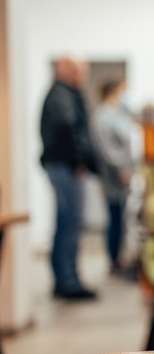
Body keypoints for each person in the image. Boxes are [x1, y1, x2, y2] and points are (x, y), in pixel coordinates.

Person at [40, 56, 99, 300]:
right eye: (78, 70)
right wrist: (78, 161)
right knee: (70, 224)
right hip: (66, 167)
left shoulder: (60, 94)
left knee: (65, 223)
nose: (82, 76)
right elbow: (68, 128)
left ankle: (64, 280)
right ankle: (69, 282)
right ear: (65, 70)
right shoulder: (62, 96)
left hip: (62, 165)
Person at [91, 79, 137, 275]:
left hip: (124, 173)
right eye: (123, 92)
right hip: (114, 175)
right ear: (113, 92)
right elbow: (107, 149)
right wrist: (121, 169)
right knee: (115, 217)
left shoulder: (118, 115)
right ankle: (113, 260)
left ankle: (119, 257)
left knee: (121, 217)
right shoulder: (102, 116)